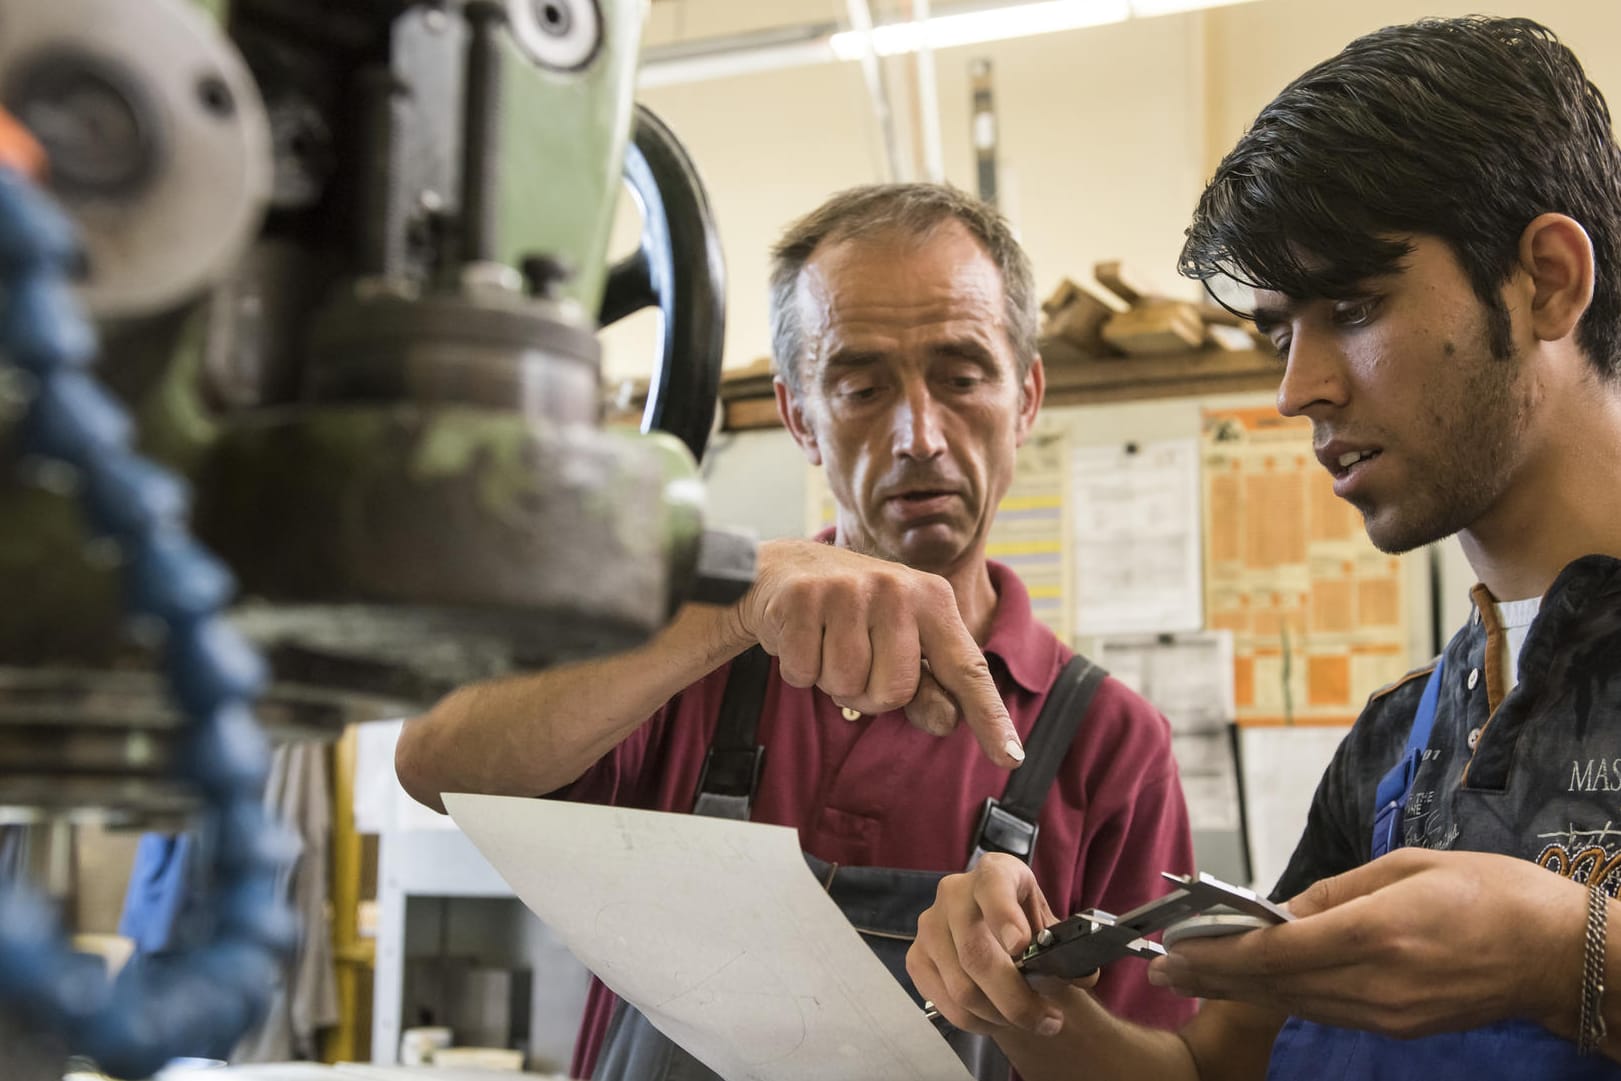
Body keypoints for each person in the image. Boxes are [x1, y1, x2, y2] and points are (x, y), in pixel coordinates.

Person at [906, 15, 1621, 1081]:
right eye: (1283, 331)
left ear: (1548, 280)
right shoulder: (1397, 746)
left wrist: (1568, 957)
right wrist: (1022, 1002)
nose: (1298, 389)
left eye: (1355, 305)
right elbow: (1206, 1070)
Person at [394, 182, 1196, 1080]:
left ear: (1026, 397)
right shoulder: (686, 658)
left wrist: (1030, 1006)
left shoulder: (1108, 740)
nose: (918, 435)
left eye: (963, 376)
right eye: (859, 386)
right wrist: (730, 605)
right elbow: (435, 765)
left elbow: (1158, 1067)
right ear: (797, 417)